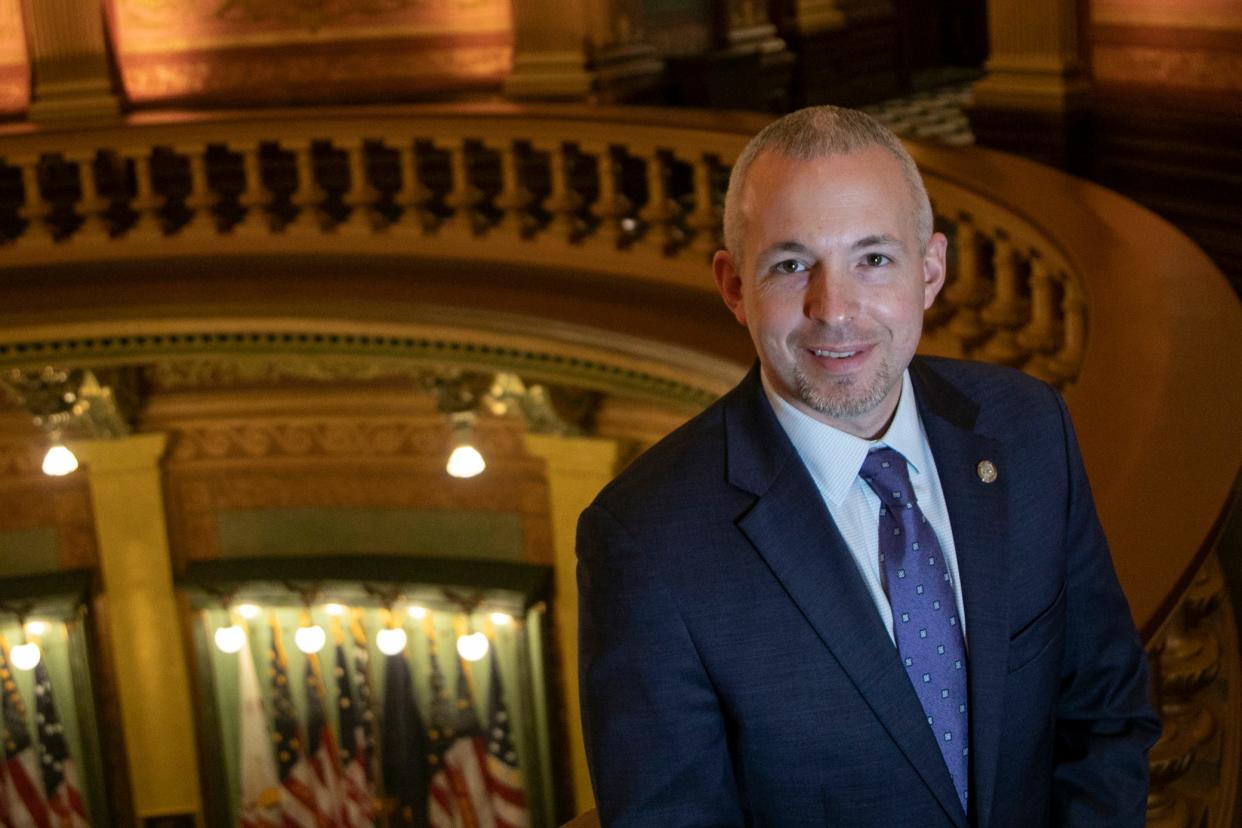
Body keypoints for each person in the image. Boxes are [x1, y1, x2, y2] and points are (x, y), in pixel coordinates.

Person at [575, 106, 1160, 826]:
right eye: (792, 265)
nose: (835, 308)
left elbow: (1106, 713)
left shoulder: (1028, 428)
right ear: (734, 287)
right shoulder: (646, 541)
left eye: (873, 259)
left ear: (931, 270)